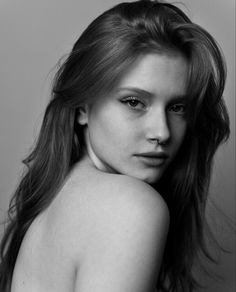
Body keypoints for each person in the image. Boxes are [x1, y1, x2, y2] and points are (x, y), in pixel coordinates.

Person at [0, 0, 230, 291]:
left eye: (178, 107)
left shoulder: (57, 198)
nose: (162, 132)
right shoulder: (131, 207)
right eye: (134, 102)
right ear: (83, 107)